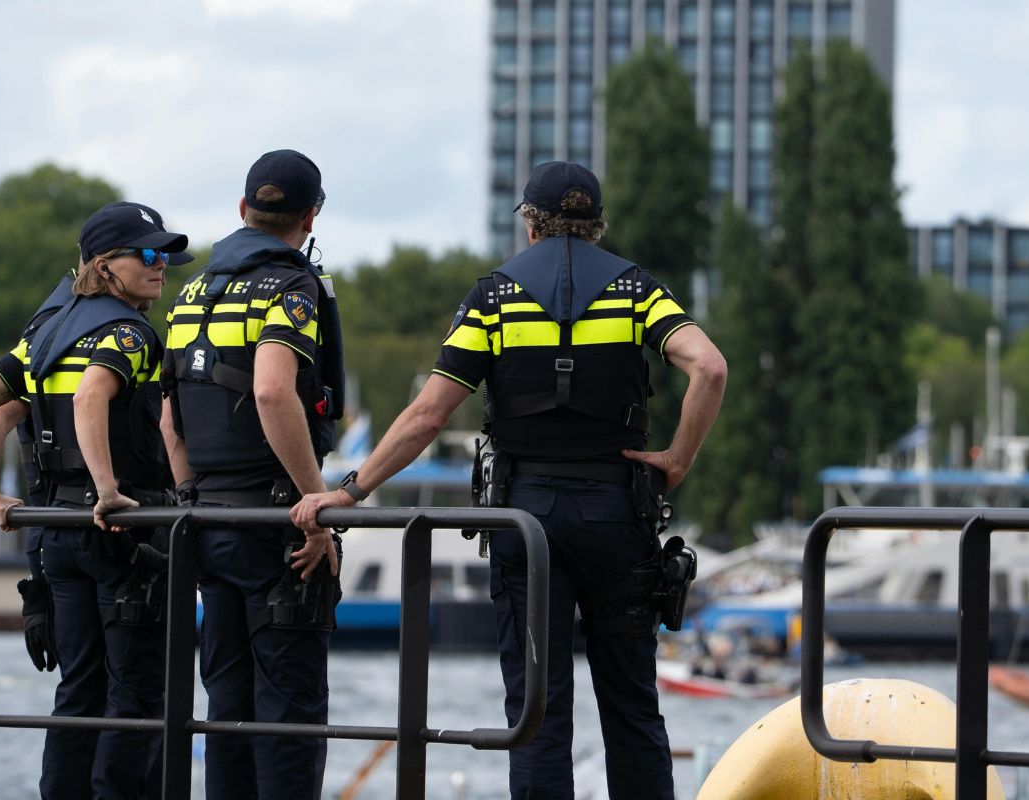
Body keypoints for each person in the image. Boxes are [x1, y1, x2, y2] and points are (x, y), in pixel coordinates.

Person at [292, 161, 727, 799]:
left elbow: (428, 414)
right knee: (632, 707)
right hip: (618, 512)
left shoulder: (494, 296)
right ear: (597, 225)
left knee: (536, 714)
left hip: (525, 522)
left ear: (529, 223)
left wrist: (350, 491)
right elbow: (709, 369)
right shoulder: (638, 291)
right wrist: (678, 458)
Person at [0, 200, 189, 800]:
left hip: (56, 534)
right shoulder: (130, 332)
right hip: (118, 534)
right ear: (105, 266)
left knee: (79, 690)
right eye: (150, 255)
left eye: (168, 255)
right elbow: (90, 398)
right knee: (137, 693)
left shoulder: (44, 332)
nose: (164, 265)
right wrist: (108, 490)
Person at [160, 149, 343, 799]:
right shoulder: (291, 286)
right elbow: (271, 391)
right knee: (289, 712)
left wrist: (190, 493)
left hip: (207, 516)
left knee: (227, 704)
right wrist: (316, 503)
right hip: (276, 523)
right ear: (311, 215)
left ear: (243, 210)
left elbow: (169, 418)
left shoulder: (191, 293)